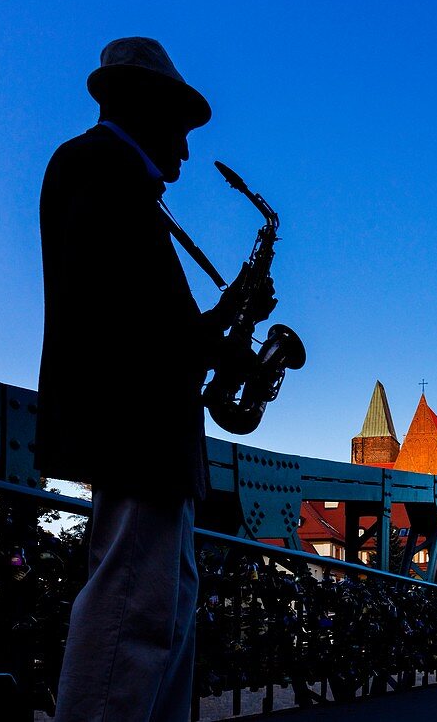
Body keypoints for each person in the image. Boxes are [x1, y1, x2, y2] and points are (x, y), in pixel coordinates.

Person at [37, 38, 269, 721]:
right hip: (137, 436)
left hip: (153, 442)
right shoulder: (100, 170)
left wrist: (226, 320)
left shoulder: (113, 178)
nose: (187, 153)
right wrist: (222, 329)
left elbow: (141, 322)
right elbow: (132, 330)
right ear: (142, 107)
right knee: (128, 624)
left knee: (163, 621)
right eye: (179, 129)